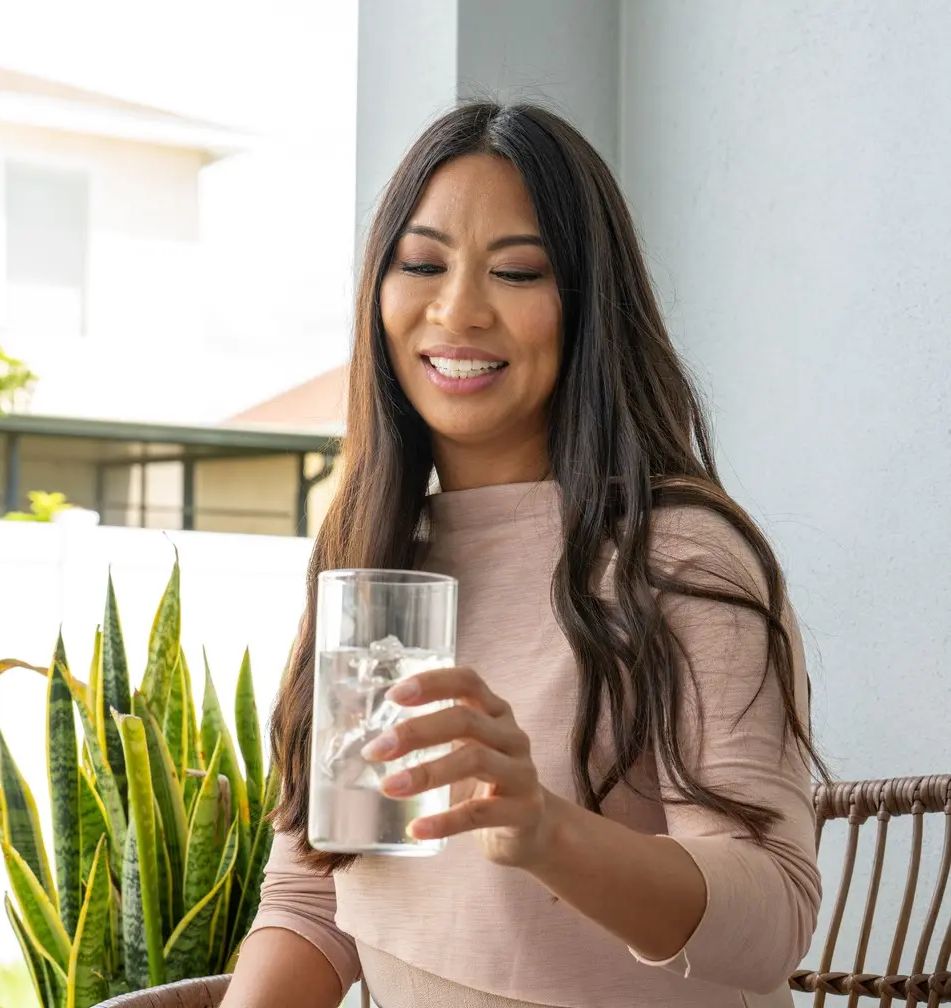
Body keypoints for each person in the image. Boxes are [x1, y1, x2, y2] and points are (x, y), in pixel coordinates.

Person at [222, 102, 825, 1008]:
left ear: (587, 304)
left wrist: (544, 829)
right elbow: (317, 894)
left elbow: (772, 920)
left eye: (515, 271)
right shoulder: (385, 559)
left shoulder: (680, 553)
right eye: (421, 264)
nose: (457, 309)